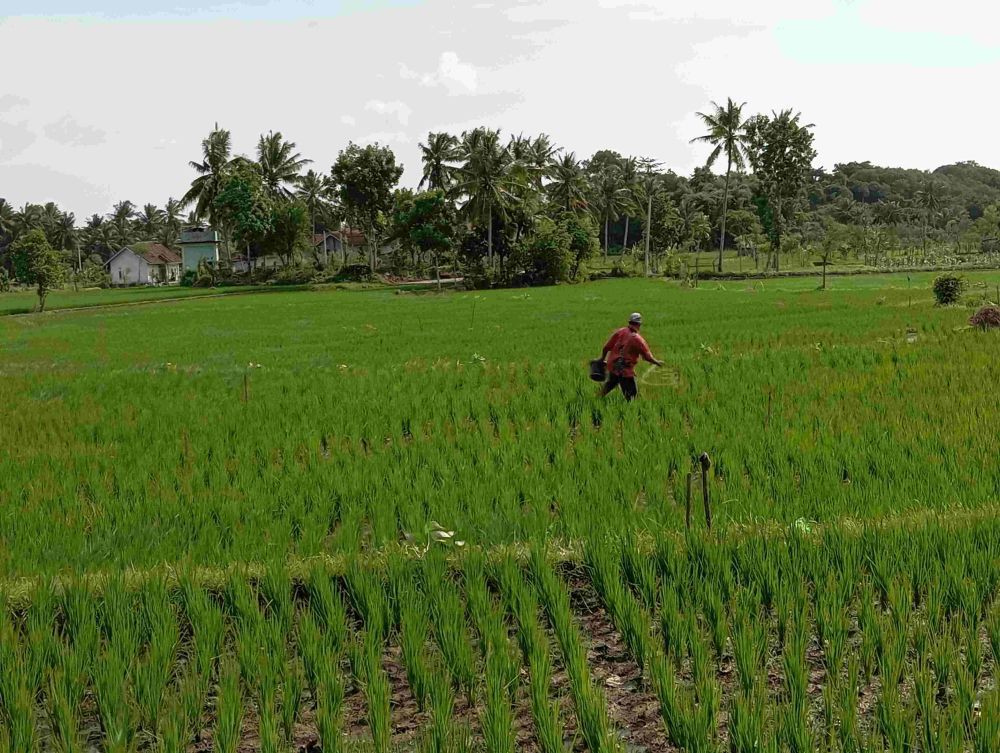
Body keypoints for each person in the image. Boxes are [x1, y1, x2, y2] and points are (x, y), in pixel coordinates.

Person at [599, 312, 663, 401]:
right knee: (632, 397)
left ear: (630, 322)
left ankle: (595, 400)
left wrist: (602, 359)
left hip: (613, 366)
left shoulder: (620, 331)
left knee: (608, 386)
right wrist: (657, 362)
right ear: (639, 324)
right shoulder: (637, 339)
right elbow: (647, 357)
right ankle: (629, 410)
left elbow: (606, 347)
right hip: (625, 371)